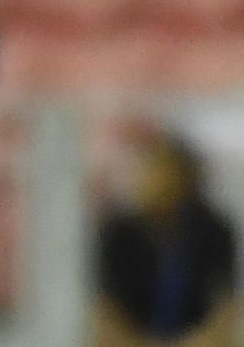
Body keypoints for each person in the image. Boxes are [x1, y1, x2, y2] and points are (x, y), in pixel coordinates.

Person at [95, 128, 238, 347]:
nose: (152, 180)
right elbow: (108, 307)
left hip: (196, 338)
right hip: (133, 337)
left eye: (162, 172)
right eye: (148, 172)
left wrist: (197, 341)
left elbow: (226, 302)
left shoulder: (213, 229)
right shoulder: (119, 232)